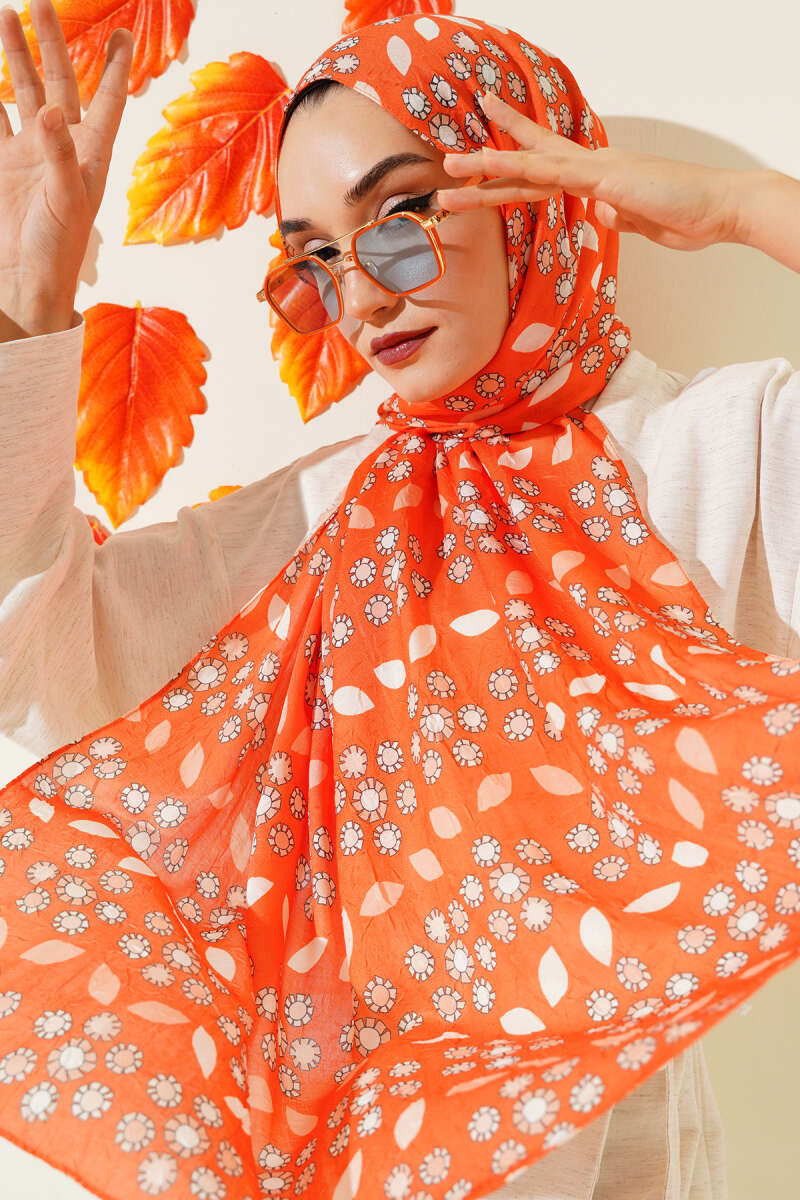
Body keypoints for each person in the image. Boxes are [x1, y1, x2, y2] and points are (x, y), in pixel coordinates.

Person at [0, 3, 799, 1200]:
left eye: (401, 216)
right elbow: (35, 649)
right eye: (317, 256)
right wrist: (31, 303)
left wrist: (739, 207)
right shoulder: (317, 518)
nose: (364, 295)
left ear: (536, 192)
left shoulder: (712, 453)